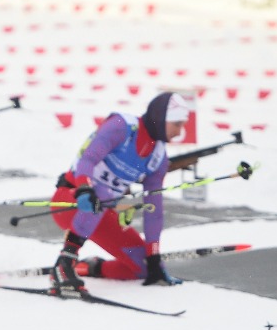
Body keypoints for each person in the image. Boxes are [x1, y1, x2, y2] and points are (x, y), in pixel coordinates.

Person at [48, 91, 189, 294]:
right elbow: (88, 160)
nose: (180, 132)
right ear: (162, 118)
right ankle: (64, 263)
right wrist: (84, 189)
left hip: (100, 212)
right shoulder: (122, 127)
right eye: (177, 124)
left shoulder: (158, 157)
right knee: (102, 193)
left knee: (142, 266)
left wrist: (154, 256)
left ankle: (90, 267)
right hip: (72, 202)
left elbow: (154, 209)